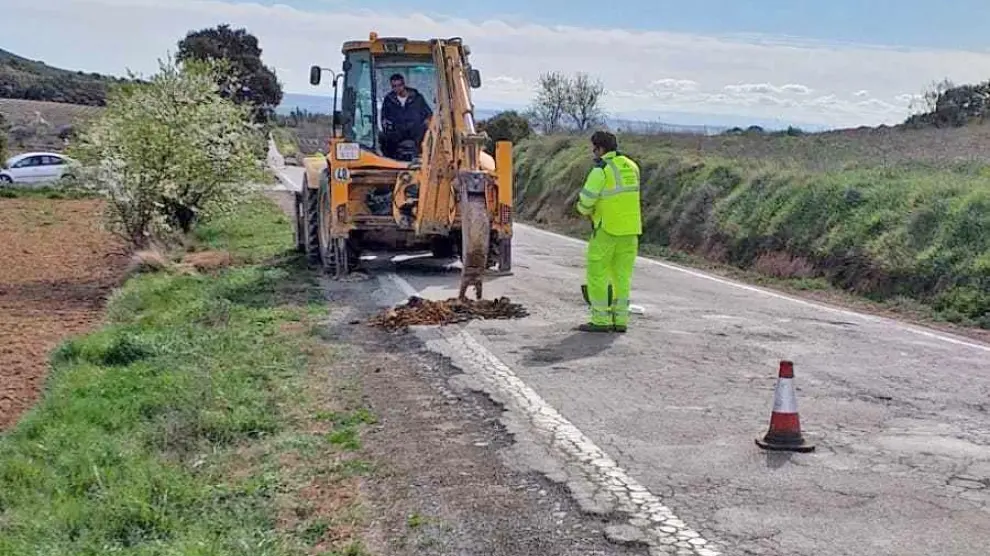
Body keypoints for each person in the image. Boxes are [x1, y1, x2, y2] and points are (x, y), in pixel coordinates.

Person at [575, 130, 642, 333]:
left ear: (600, 149)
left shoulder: (601, 170)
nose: (593, 153)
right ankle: (620, 320)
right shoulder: (632, 166)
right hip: (631, 231)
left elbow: (587, 200)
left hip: (606, 230)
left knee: (598, 274)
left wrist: (583, 210)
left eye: (594, 149)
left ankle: (601, 320)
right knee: (622, 275)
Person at [380, 73, 433, 159]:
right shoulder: (389, 100)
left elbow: (428, 114)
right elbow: (384, 118)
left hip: (416, 133)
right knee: (383, 139)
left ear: (404, 84)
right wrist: (388, 128)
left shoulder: (417, 98)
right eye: (394, 86)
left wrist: (427, 125)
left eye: (399, 85)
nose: (397, 88)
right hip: (397, 133)